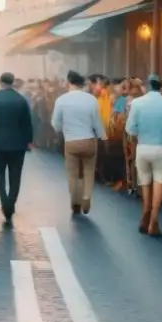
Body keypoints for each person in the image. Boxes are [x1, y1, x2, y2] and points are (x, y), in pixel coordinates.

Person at [125, 74, 162, 236]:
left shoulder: (137, 103)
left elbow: (130, 128)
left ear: (147, 86)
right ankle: (154, 220)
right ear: (161, 86)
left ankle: (145, 210)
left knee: (145, 182)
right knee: (160, 182)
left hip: (143, 148)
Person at [0, 71, 34, 222]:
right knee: (15, 176)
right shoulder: (21, 100)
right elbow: (27, 123)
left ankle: (4, 201)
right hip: (18, 144)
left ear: (0, 82)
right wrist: (29, 140)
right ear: (13, 82)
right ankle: (11, 203)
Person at [52, 70, 106, 215]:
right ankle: (86, 197)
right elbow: (97, 122)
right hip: (89, 140)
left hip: (71, 141)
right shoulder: (91, 100)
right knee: (88, 171)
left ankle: (75, 202)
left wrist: (63, 131)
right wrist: (103, 137)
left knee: (73, 173)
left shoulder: (61, 100)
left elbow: (55, 123)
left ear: (69, 82)